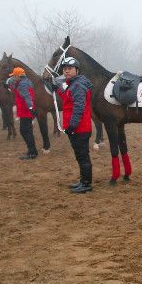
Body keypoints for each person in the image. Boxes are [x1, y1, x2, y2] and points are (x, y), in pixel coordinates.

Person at [51, 57, 94, 194]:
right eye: (64, 69)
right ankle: (83, 181)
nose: (66, 71)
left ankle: (86, 184)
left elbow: (79, 107)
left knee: (82, 156)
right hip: (77, 128)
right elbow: (68, 99)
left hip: (79, 128)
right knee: (80, 156)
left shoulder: (78, 85)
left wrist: (72, 126)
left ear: (77, 70)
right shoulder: (74, 84)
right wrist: (58, 89)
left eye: (69, 69)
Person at [7, 66, 38, 159]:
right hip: (26, 110)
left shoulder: (22, 84)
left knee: (25, 131)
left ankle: (32, 152)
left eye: (14, 76)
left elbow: (27, 96)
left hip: (25, 111)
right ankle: (32, 150)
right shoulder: (26, 81)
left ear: (18, 76)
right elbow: (15, 88)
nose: (13, 77)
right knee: (26, 131)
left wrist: (31, 108)